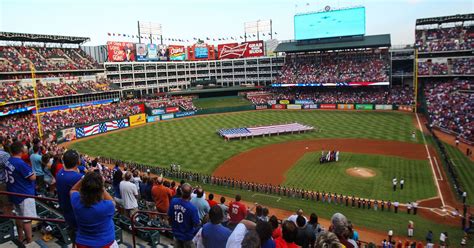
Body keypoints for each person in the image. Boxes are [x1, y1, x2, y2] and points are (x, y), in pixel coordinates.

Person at [70, 171, 117, 247]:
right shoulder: (107, 206)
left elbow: (73, 190)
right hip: (106, 243)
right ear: (100, 190)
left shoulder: (76, 201)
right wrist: (101, 186)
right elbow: (112, 201)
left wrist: (84, 179)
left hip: (82, 243)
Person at [6, 141, 37, 244]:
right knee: (27, 219)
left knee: (19, 216)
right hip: (24, 193)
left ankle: (20, 237)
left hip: (14, 192)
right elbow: (32, 177)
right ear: (20, 151)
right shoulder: (20, 163)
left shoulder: (8, 160)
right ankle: (29, 241)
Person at [56, 149, 83, 244]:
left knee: (74, 239)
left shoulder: (59, 173)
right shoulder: (77, 178)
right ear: (77, 162)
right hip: (77, 216)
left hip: (67, 213)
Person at [168, 183, 200, 248]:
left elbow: (169, 216)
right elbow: (196, 224)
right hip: (187, 236)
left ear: (181, 191)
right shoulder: (192, 208)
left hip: (176, 234)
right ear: (191, 193)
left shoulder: (173, 201)